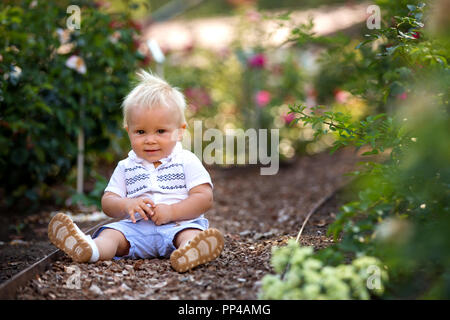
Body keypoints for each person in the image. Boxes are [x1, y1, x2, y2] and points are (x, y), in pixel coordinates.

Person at [48, 70, 224, 273]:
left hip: (178, 225)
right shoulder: (126, 166)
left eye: (160, 131)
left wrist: (172, 212)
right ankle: (90, 249)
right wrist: (126, 204)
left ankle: (189, 252)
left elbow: (204, 198)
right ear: (128, 131)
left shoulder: (186, 160)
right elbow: (108, 202)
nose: (150, 139)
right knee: (112, 235)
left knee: (191, 234)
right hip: (136, 231)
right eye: (140, 132)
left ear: (180, 131)